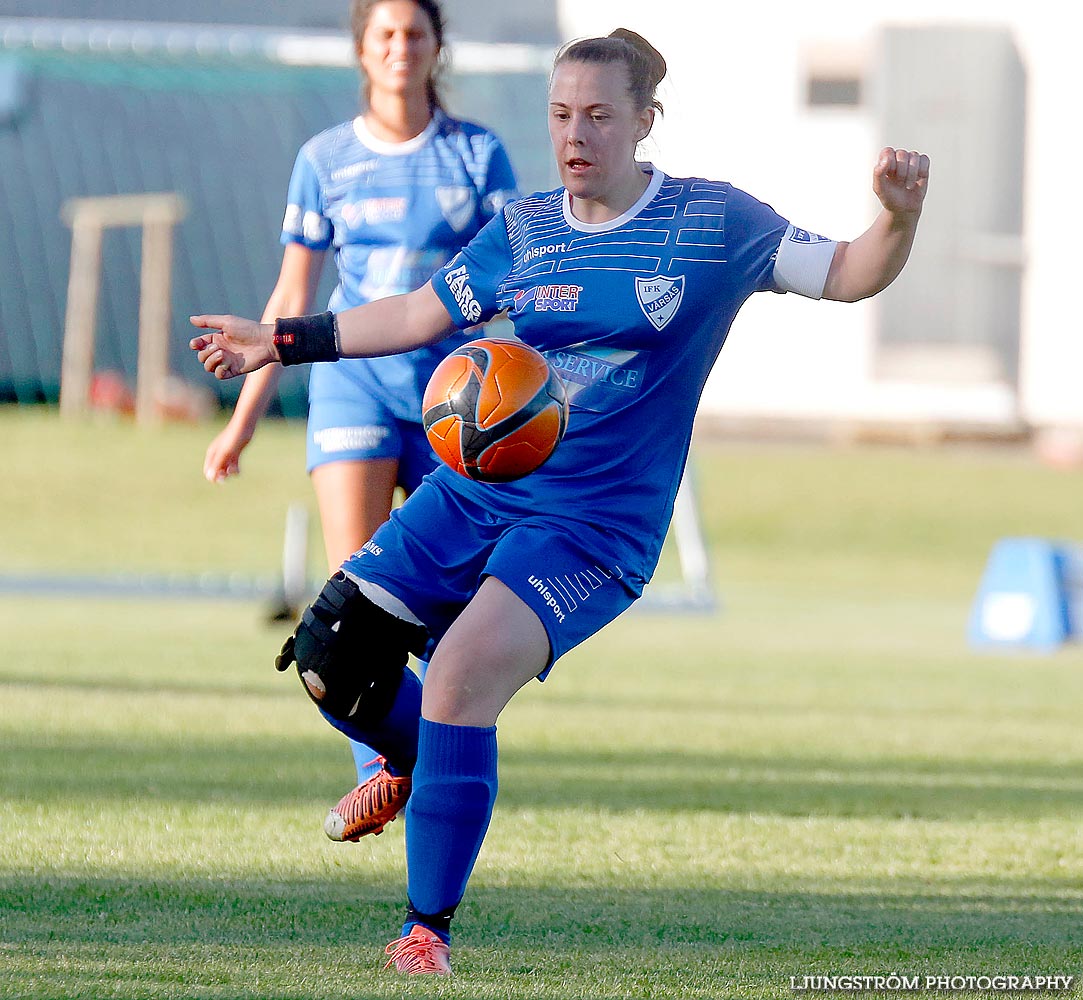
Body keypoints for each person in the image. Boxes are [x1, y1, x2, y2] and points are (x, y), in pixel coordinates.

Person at [191, 26, 930, 976]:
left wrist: (896, 219)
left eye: (598, 116)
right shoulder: (528, 227)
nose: (573, 136)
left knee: (458, 676)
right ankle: (420, 760)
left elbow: (845, 273)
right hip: (479, 492)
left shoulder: (713, 226)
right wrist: (277, 340)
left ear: (643, 124)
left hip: (592, 528)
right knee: (332, 654)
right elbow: (418, 313)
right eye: (559, 115)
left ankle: (426, 934)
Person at [200, 0, 518, 843]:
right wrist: (240, 424)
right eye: (385, 34)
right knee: (354, 595)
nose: (400, 48)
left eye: (415, 34)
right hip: (350, 388)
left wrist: (521, 389)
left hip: (454, 402)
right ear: (362, 50)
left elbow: (507, 289)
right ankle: (381, 768)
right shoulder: (323, 160)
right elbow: (292, 300)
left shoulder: (477, 154)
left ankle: (438, 751)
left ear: (436, 47)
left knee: (448, 606)